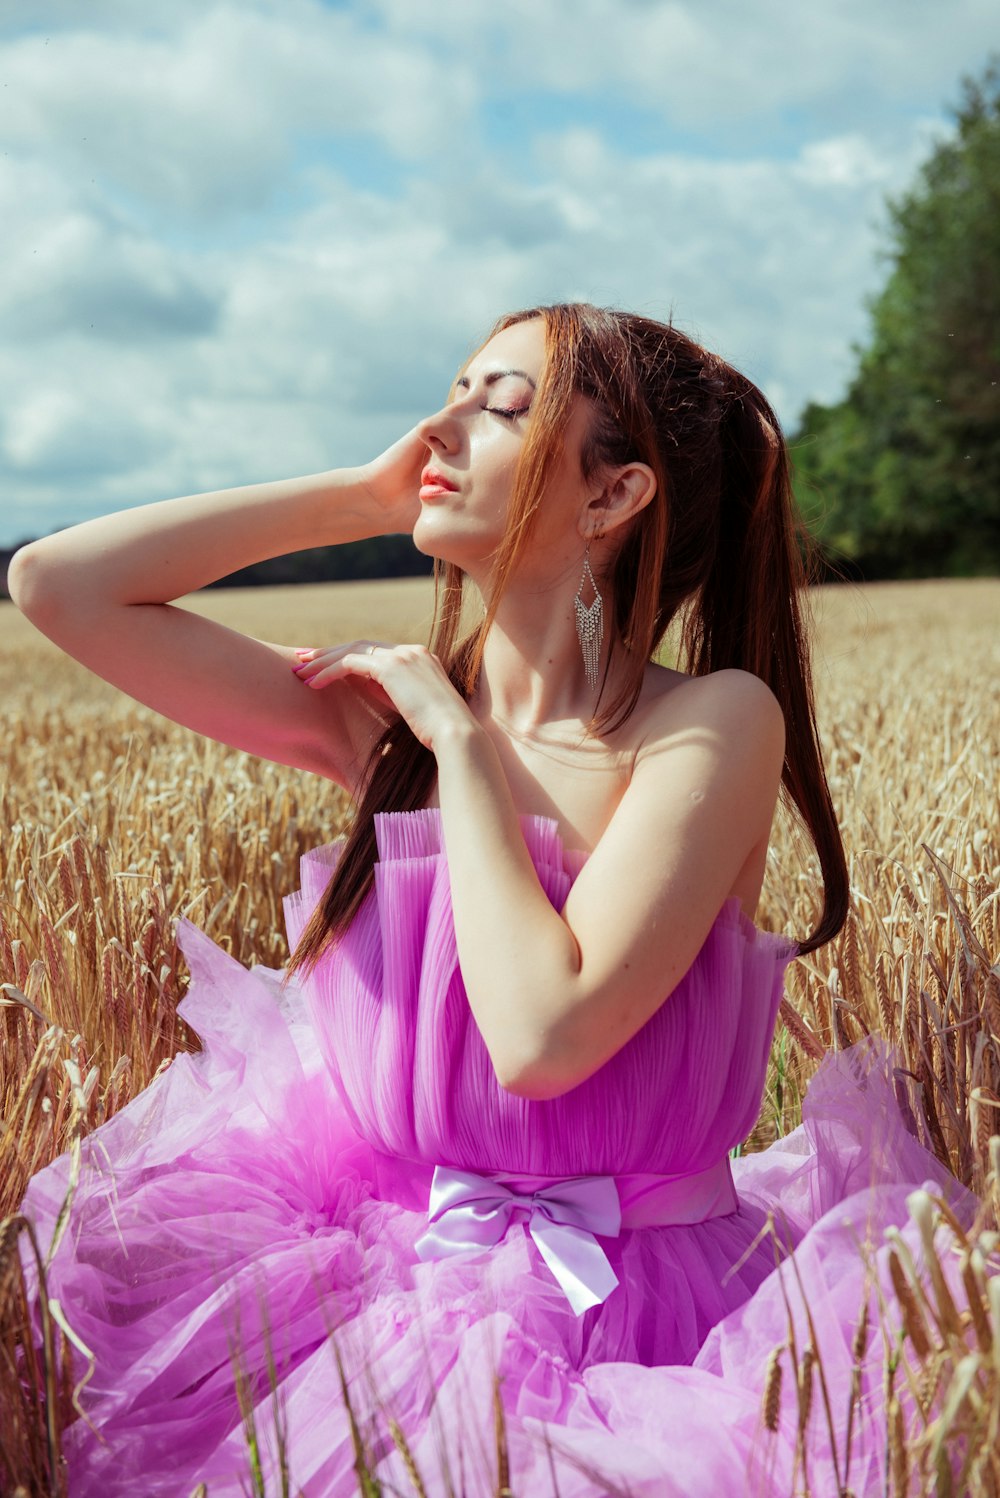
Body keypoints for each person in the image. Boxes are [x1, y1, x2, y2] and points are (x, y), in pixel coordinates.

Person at [9, 304, 973, 1496]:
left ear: (613, 498)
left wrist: (460, 747)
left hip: (648, 1324)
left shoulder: (706, 723)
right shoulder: (386, 725)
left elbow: (543, 1037)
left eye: (499, 405)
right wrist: (361, 499)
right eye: (455, 388)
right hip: (387, 1285)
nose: (440, 424)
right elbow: (58, 585)